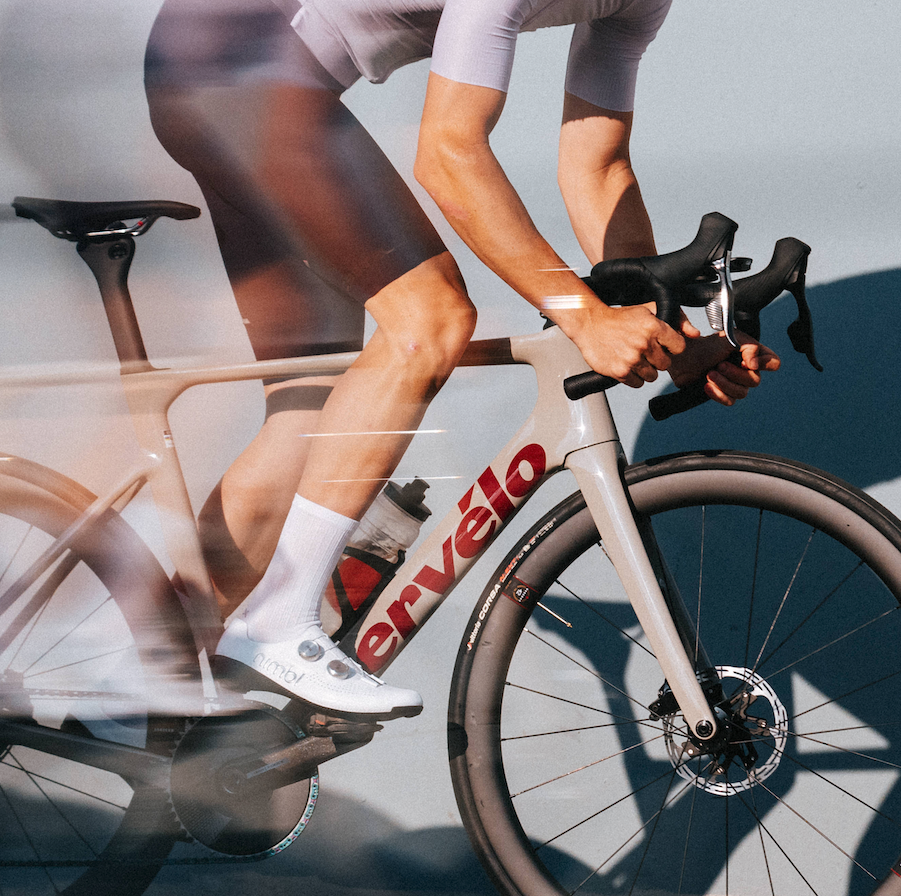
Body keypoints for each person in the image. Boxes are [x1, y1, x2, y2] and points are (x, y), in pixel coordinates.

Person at [144, 0, 779, 717]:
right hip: (235, 57)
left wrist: (671, 334)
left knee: (316, 415)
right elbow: (448, 153)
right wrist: (581, 314)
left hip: (233, 65)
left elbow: (597, 166)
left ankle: (137, 666)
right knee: (432, 318)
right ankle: (275, 626)